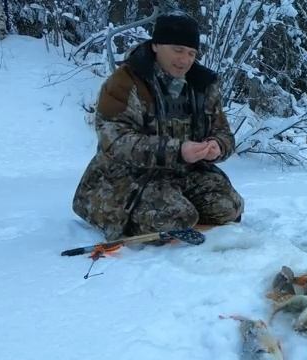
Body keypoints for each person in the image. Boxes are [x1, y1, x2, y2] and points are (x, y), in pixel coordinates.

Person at [73, 13, 244, 241]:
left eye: (191, 53)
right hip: (127, 178)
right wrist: (177, 150)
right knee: (176, 218)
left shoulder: (203, 85)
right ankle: (100, 209)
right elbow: (114, 140)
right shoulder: (125, 81)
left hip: (182, 174)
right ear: (155, 45)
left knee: (229, 207)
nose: (184, 60)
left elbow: (223, 133)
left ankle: (175, 201)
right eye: (177, 50)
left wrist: (217, 147)